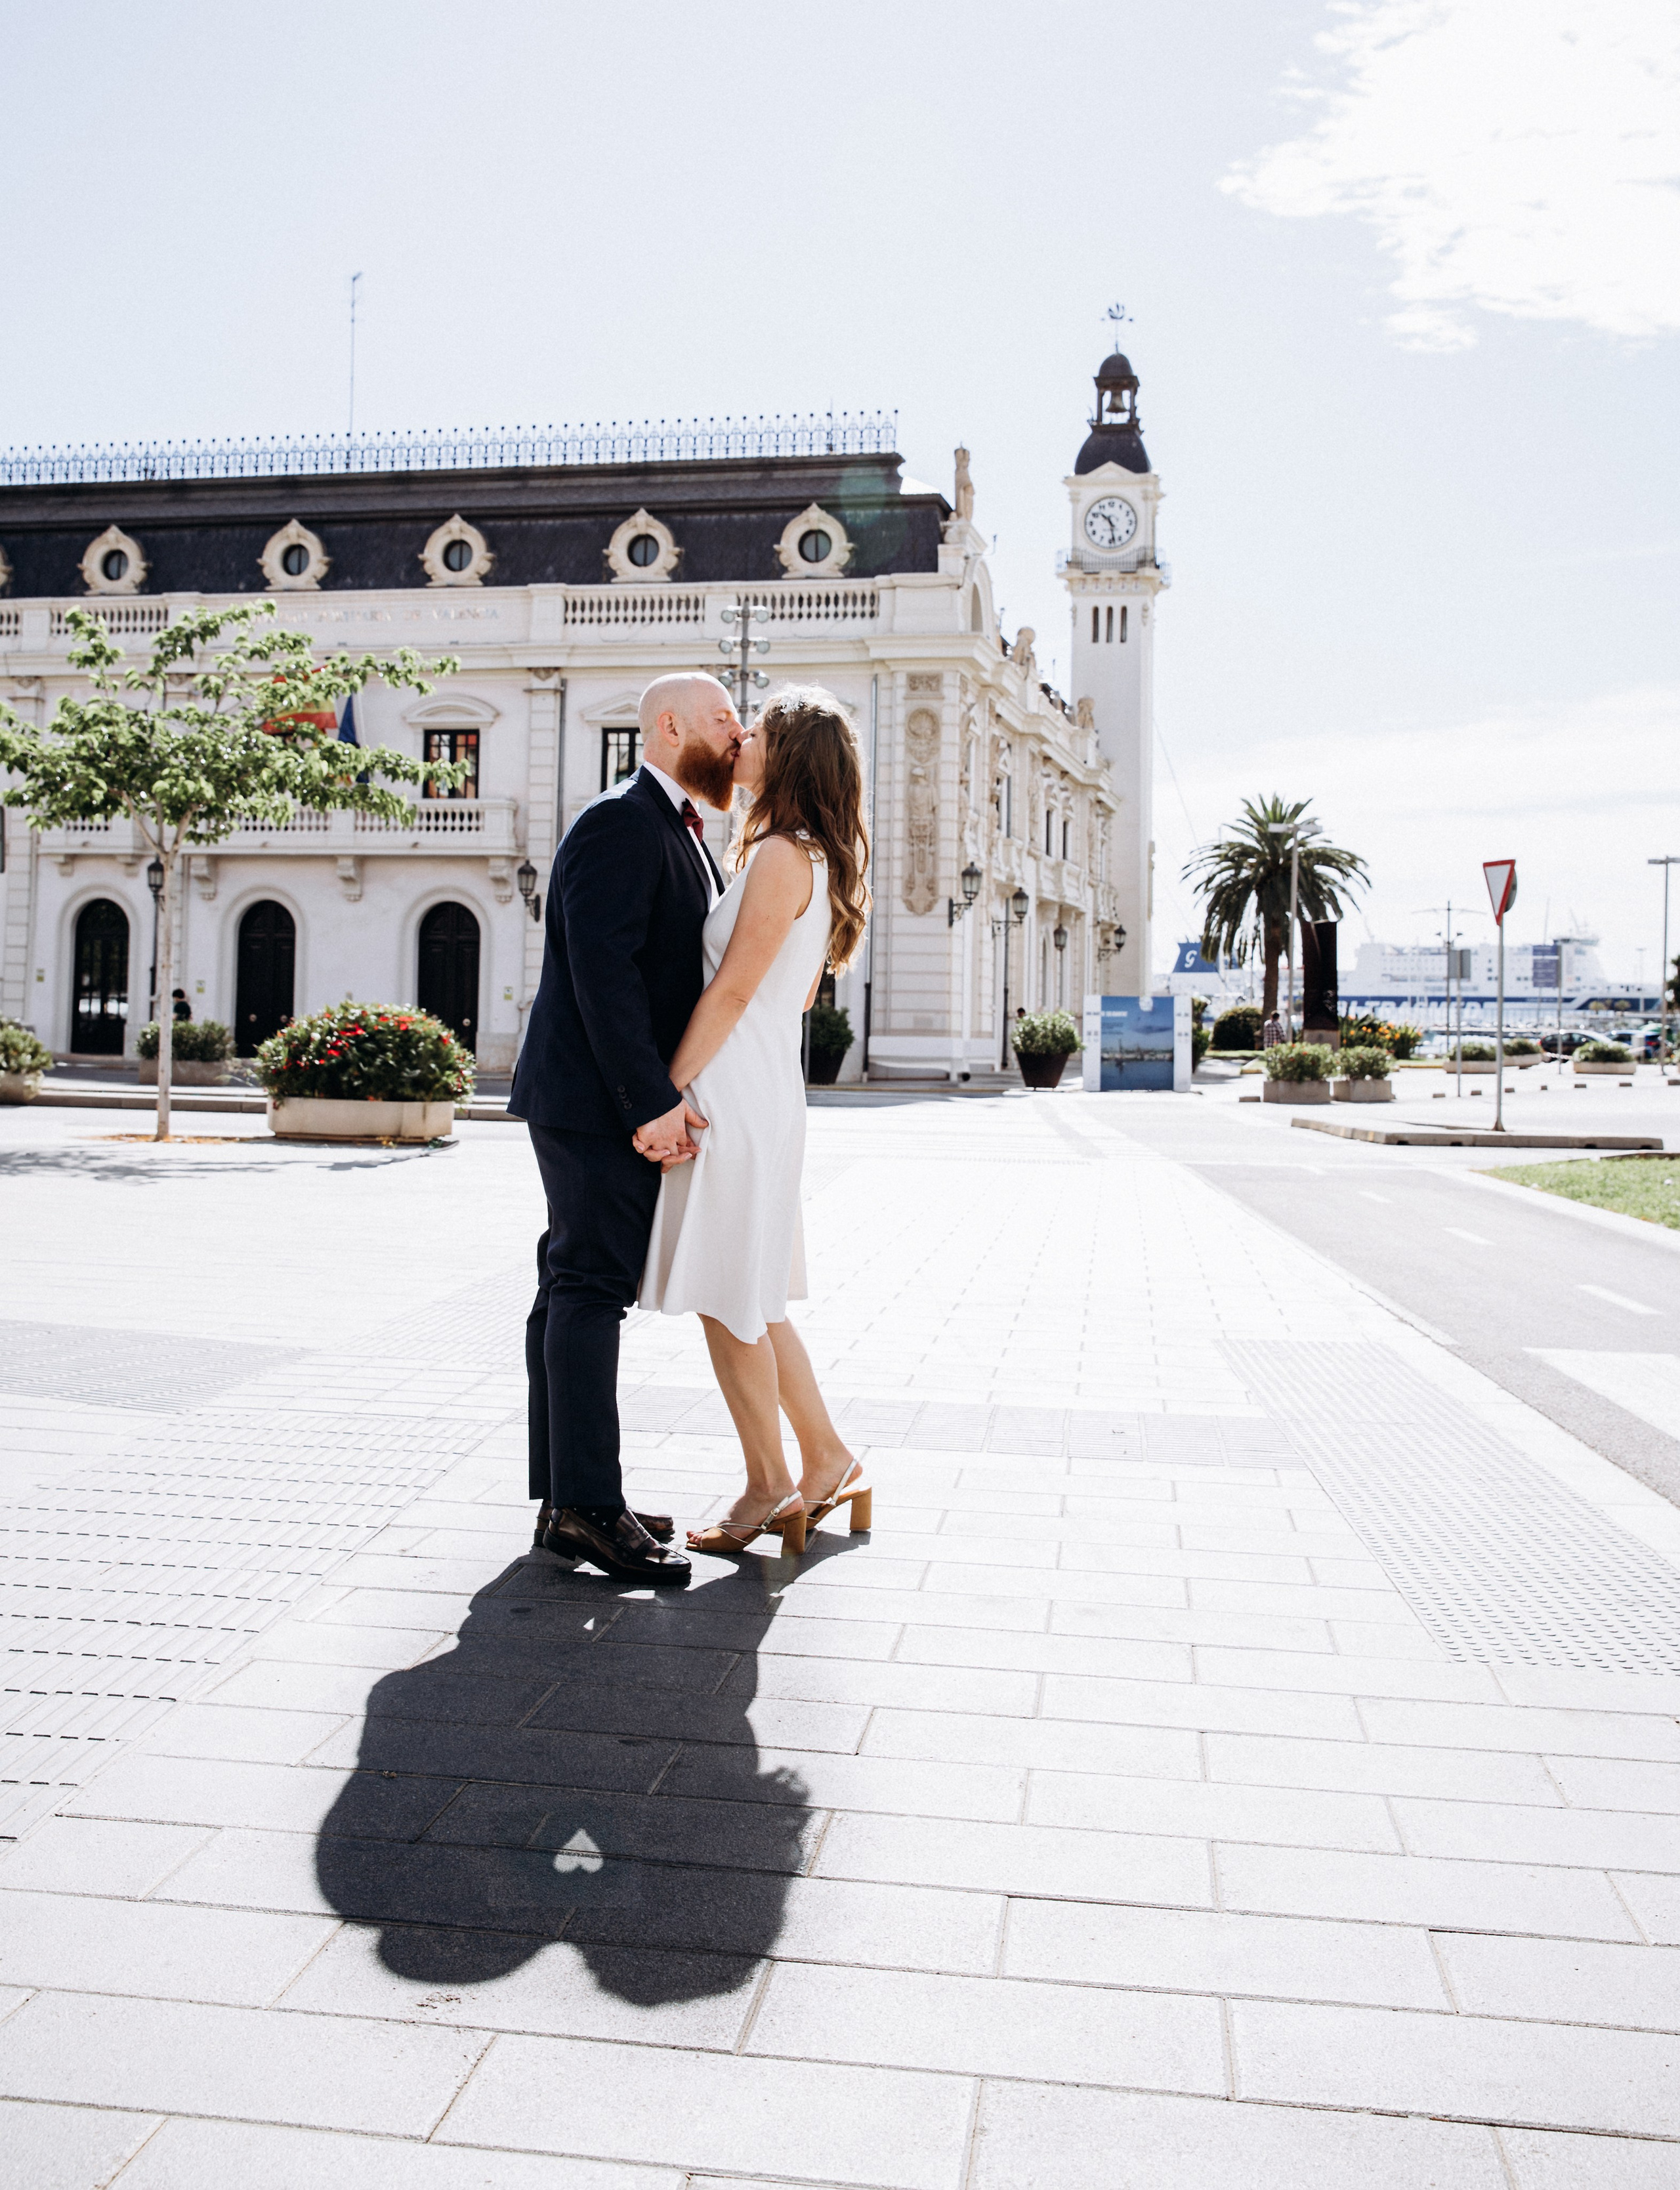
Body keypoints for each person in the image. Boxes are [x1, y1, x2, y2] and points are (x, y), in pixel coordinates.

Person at [510, 671, 743, 1585]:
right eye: (726, 718)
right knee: (589, 1287)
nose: (739, 733)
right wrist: (649, 1101)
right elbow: (602, 973)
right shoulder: (620, 819)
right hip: (591, 1103)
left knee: (572, 1282)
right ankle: (587, 1509)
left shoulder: (681, 829)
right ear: (672, 725)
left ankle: (569, 1493)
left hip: (592, 1098)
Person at [639, 686, 873, 1557]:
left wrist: (664, 1089)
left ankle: (770, 1483)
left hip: (735, 1091)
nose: (741, 737)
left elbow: (733, 990)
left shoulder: (779, 855)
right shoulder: (804, 855)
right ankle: (826, 1458)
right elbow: (792, 992)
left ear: (790, 756)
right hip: (763, 1084)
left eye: (759, 731)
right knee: (753, 1294)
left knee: (729, 1297)